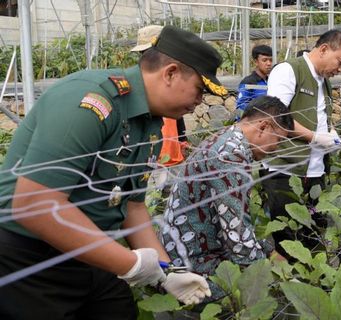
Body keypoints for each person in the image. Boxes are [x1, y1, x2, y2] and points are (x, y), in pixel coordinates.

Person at [0, 26, 227, 319]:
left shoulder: (150, 123)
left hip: (90, 252)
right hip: (28, 260)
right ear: (170, 73)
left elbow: (132, 207)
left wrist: (164, 272)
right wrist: (129, 264)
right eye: (200, 89)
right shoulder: (90, 102)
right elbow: (35, 205)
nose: (199, 103)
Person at [160, 95, 293, 301]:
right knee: (264, 296)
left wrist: (268, 250)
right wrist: (280, 276)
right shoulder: (230, 156)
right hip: (191, 264)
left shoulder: (229, 138)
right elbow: (237, 237)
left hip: (191, 247)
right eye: (278, 140)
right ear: (264, 127)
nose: (276, 148)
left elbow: (236, 219)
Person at [261, 30, 341, 259]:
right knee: (287, 237)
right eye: (340, 62)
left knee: (314, 232)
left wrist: (329, 133)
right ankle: (287, 287)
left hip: (314, 170)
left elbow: (320, 115)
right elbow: (276, 117)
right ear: (323, 49)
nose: (340, 69)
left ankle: (311, 282)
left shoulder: (324, 82)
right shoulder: (289, 70)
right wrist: (314, 137)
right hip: (285, 168)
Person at [131, 24, 189, 167]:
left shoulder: (173, 76)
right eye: (143, 53)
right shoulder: (136, 81)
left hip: (170, 149)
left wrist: (182, 138)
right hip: (146, 152)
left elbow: (177, 111)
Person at [235, 45, 273, 117]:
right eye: (264, 60)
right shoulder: (248, 82)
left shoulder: (272, 81)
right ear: (256, 62)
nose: (269, 63)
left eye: (270, 60)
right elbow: (240, 106)